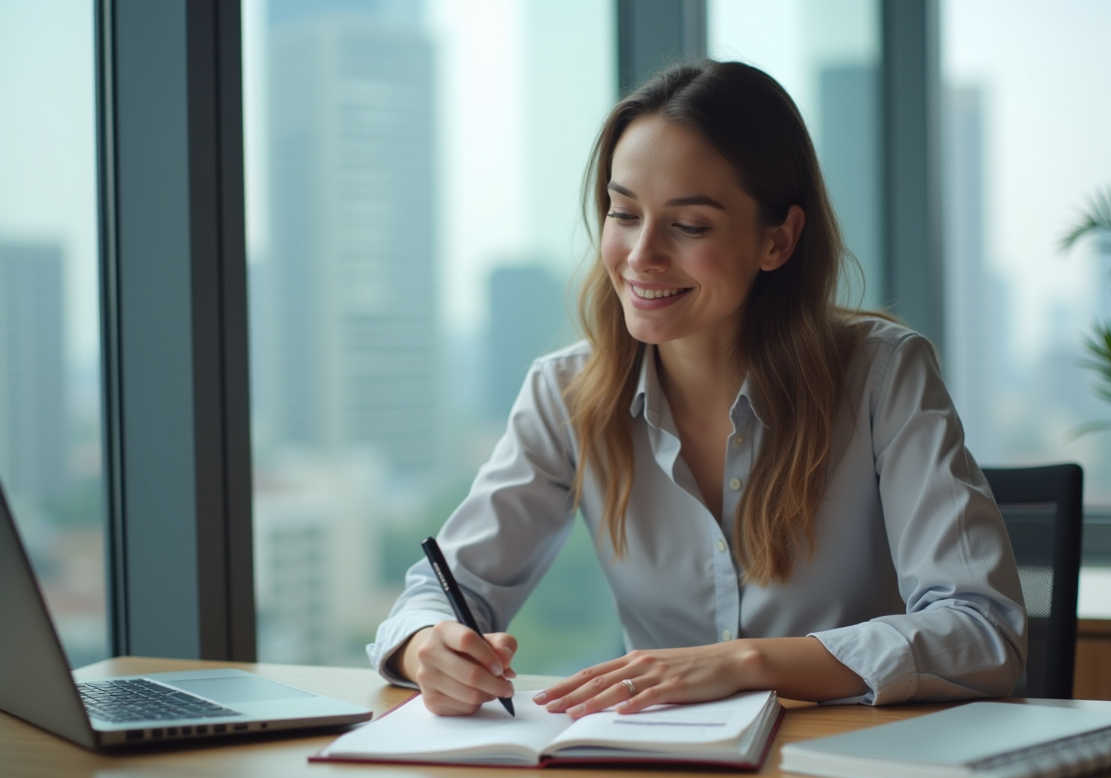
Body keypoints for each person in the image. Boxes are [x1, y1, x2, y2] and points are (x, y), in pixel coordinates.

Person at [368, 60, 1027, 718]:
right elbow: (439, 593)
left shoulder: (886, 376)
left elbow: (982, 631)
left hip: (847, 768)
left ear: (778, 239)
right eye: (624, 213)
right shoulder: (565, 392)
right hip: (658, 772)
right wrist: (429, 647)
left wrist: (747, 663)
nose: (641, 255)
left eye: (688, 226)